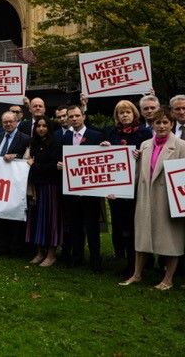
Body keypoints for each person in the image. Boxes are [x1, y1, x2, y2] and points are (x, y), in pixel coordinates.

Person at [119, 108, 185, 290]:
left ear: (172, 124)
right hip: (145, 199)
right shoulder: (145, 145)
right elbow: (138, 173)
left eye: (165, 122)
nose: (162, 126)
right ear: (153, 125)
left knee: (170, 240)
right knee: (141, 239)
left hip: (168, 201)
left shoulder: (181, 146)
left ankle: (168, 279)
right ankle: (137, 274)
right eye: (158, 122)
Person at [100, 100, 152, 275]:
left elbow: (152, 155)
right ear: (117, 116)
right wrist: (105, 147)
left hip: (137, 187)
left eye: (127, 112)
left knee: (135, 225)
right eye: (121, 113)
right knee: (122, 226)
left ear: (134, 114)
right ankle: (129, 263)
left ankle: (141, 264)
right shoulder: (111, 132)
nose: (124, 115)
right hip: (117, 188)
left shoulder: (144, 133)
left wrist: (142, 154)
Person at [58, 105, 104, 273]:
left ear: (83, 116)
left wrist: (106, 146)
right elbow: (60, 158)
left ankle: (96, 260)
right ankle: (77, 257)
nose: (74, 119)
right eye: (71, 116)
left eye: (77, 115)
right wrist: (59, 164)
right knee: (75, 225)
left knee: (92, 226)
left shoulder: (96, 136)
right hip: (71, 191)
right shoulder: (65, 138)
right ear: (68, 119)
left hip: (90, 191)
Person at [25, 115, 63, 267]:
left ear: (49, 127)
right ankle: (40, 252)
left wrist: (34, 165)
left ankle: (51, 255)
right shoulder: (32, 143)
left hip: (50, 188)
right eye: (38, 126)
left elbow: (54, 167)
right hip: (35, 187)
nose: (41, 129)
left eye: (44, 126)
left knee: (50, 221)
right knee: (35, 220)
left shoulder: (55, 143)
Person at [0, 111, 29, 256]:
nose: (8, 124)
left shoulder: (25, 138)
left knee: (15, 217)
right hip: (0, 183)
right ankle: (2, 246)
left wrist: (16, 156)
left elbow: (28, 158)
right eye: (5, 122)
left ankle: (15, 248)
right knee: (1, 215)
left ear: (16, 122)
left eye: (10, 122)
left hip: (15, 184)